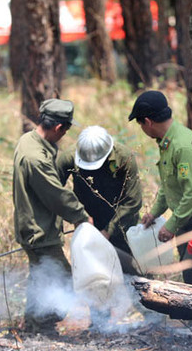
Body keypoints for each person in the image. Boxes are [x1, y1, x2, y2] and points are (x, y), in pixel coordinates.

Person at [128, 90, 192, 285]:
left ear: (147, 122)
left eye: (140, 124)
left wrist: (171, 225)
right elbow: (169, 185)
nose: (142, 129)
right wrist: (154, 213)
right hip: (188, 221)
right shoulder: (167, 143)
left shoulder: (182, 146)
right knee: (190, 275)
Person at [13, 99, 91, 333]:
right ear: (58, 128)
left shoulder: (29, 140)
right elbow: (55, 194)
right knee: (62, 280)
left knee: (41, 278)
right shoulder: (36, 158)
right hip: (39, 231)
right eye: (66, 129)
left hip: (35, 226)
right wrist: (81, 216)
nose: (65, 134)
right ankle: (42, 328)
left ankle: (32, 325)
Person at [57, 126, 143, 275]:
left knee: (131, 272)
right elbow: (53, 192)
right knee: (91, 272)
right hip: (88, 223)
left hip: (122, 223)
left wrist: (108, 231)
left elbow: (133, 201)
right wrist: (76, 216)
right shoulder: (68, 158)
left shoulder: (124, 158)